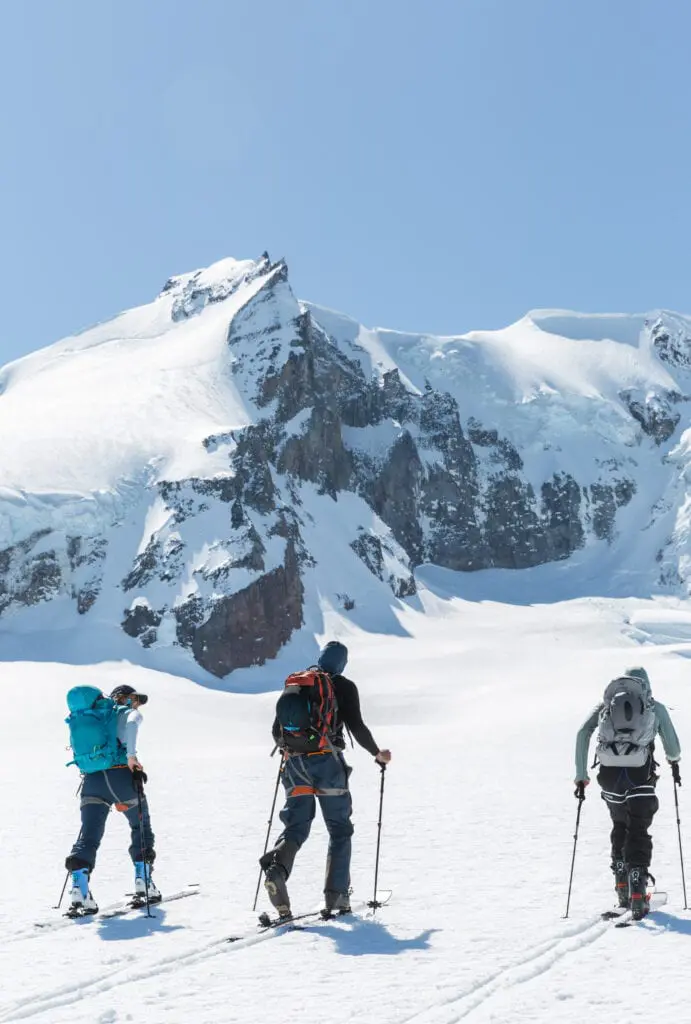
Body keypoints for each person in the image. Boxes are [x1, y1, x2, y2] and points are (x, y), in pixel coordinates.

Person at [260, 641, 391, 920]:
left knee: (296, 828)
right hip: (327, 764)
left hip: (294, 764)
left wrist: (294, 752)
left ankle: (276, 870)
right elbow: (356, 725)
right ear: (342, 664)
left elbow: (276, 730)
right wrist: (377, 753)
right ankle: (337, 898)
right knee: (339, 829)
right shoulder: (343, 686)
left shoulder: (297, 683)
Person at [574, 666, 681, 918]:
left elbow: (582, 733)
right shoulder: (654, 707)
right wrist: (673, 761)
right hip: (639, 776)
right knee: (638, 829)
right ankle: (637, 892)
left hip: (610, 777)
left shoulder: (606, 706)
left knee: (619, 825)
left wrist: (581, 775)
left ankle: (622, 886)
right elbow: (673, 748)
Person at [64, 684, 160, 913]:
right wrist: (131, 756)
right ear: (126, 698)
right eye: (134, 698)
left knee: (89, 835)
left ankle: (79, 888)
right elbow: (132, 723)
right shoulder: (124, 712)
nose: (136, 703)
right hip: (121, 777)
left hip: (92, 780)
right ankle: (143, 882)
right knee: (140, 826)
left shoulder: (92, 717)